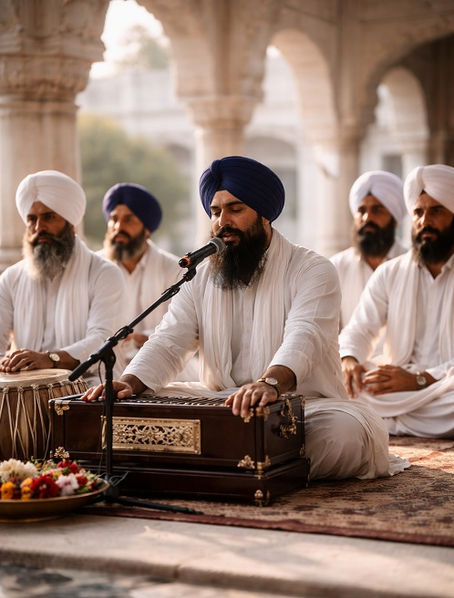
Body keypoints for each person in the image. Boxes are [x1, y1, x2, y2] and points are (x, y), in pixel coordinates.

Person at [83, 156, 408, 481]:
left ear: (264, 214)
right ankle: (248, 462)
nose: (222, 221)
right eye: (215, 211)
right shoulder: (200, 274)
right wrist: (129, 381)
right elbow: (170, 340)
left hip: (298, 406)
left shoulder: (312, 269)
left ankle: (211, 462)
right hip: (221, 404)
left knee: (346, 434)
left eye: (235, 209)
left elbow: (304, 336)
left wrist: (269, 384)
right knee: (138, 406)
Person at [340, 164, 454, 438]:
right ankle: (415, 424)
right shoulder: (391, 272)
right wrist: (350, 358)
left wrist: (420, 380)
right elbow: (360, 328)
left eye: (435, 211)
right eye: (418, 212)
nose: (424, 221)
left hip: (446, 384)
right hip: (399, 383)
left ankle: (389, 423)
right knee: (347, 384)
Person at [0, 170, 125, 382]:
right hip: (23, 393)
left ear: (70, 221)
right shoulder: (11, 278)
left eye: (48, 217)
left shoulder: (104, 273)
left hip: (88, 389)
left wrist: (50, 359)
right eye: (32, 219)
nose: (39, 228)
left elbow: (101, 340)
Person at [100, 183, 181, 364]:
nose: (118, 227)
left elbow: (184, 328)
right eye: (113, 219)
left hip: (160, 364)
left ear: (146, 230)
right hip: (107, 365)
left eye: (129, 219)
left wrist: (138, 338)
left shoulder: (176, 270)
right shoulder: (96, 268)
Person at [331, 170, 407, 330]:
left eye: (377, 209)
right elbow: (328, 329)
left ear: (394, 219)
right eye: (361, 210)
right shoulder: (338, 266)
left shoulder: (411, 265)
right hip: (349, 354)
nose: (367, 218)